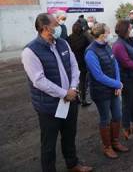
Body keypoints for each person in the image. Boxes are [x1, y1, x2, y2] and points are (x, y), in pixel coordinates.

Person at [21, 13, 92, 172]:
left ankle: (72, 164)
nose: (59, 26)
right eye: (56, 24)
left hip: (70, 99)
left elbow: (74, 66)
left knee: (69, 135)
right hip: (49, 106)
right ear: (45, 28)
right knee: (48, 144)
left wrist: (73, 89)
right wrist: (63, 93)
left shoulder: (63, 43)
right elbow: (39, 80)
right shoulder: (30, 51)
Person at [84, 23, 129, 159]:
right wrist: (117, 84)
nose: (111, 34)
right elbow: (98, 75)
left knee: (117, 115)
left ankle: (115, 142)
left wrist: (117, 84)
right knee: (106, 118)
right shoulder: (90, 52)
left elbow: (115, 64)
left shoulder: (106, 46)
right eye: (109, 32)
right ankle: (107, 147)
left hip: (113, 89)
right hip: (100, 92)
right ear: (102, 34)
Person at [67, 21, 92, 106]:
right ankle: (83, 99)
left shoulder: (69, 38)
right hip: (83, 63)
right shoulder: (84, 38)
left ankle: (76, 98)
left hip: (73, 62)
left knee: (74, 81)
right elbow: (89, 49)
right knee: (83, 82)